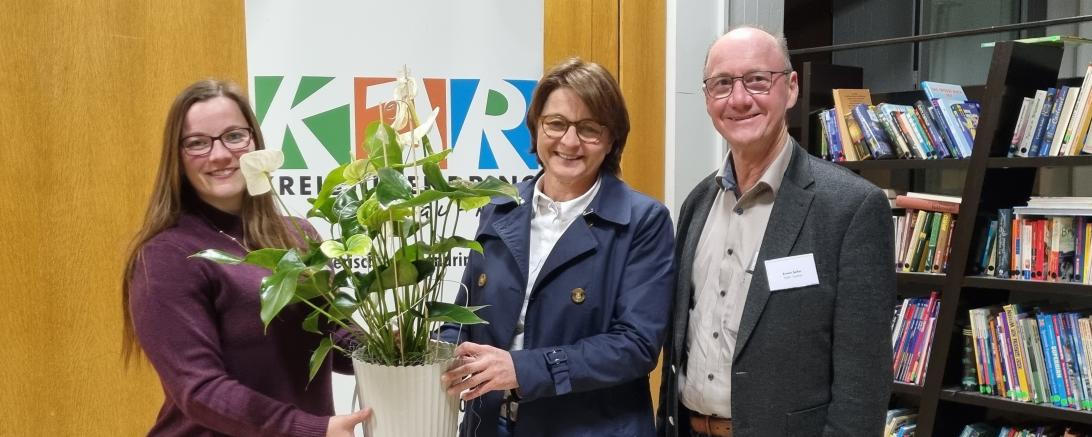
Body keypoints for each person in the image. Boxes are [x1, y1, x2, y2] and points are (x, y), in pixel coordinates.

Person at [657, 26, 895, 437]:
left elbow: (864, 379)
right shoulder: (697, 202)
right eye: (722, 84)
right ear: (708, 98)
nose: (739, 99)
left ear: (791, 88)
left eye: (757, 81)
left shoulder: (851, 208)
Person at [438, 58, 675, 437]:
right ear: (536, 128)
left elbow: (636, 345)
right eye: (556, 124)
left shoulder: (643, 220)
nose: (569, 141)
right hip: (489, 425)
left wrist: (523, 369)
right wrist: (438, 349)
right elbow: (464, 313)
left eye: (589, 129)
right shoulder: (498, 206)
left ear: (612, 138)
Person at [121, 79, 370, 437]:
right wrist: (309, 429)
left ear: (254, 141)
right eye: (197, 143)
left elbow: (333, 336)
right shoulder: (167, 257)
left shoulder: (298, 235)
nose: (220, 154)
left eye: (234, 136)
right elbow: (200, 391)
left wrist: (390, 347)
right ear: (177, 158)